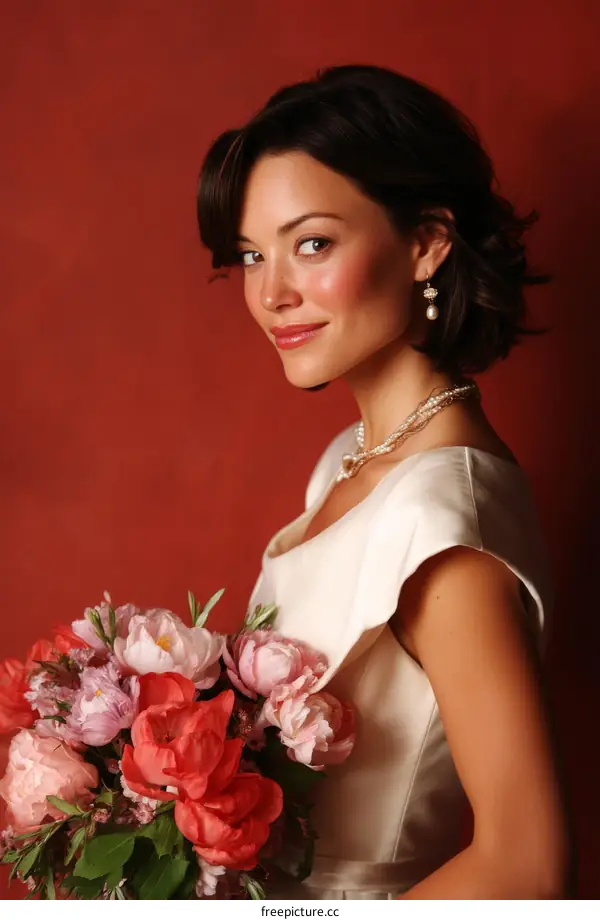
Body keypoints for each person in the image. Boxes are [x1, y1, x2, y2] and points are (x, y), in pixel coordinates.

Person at [196, 64, 571, 899]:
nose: (272, 292)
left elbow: (528, 863)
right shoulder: (349, 458)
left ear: (426, 242)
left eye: (313, 243)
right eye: (254, 254)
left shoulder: (441, 520)